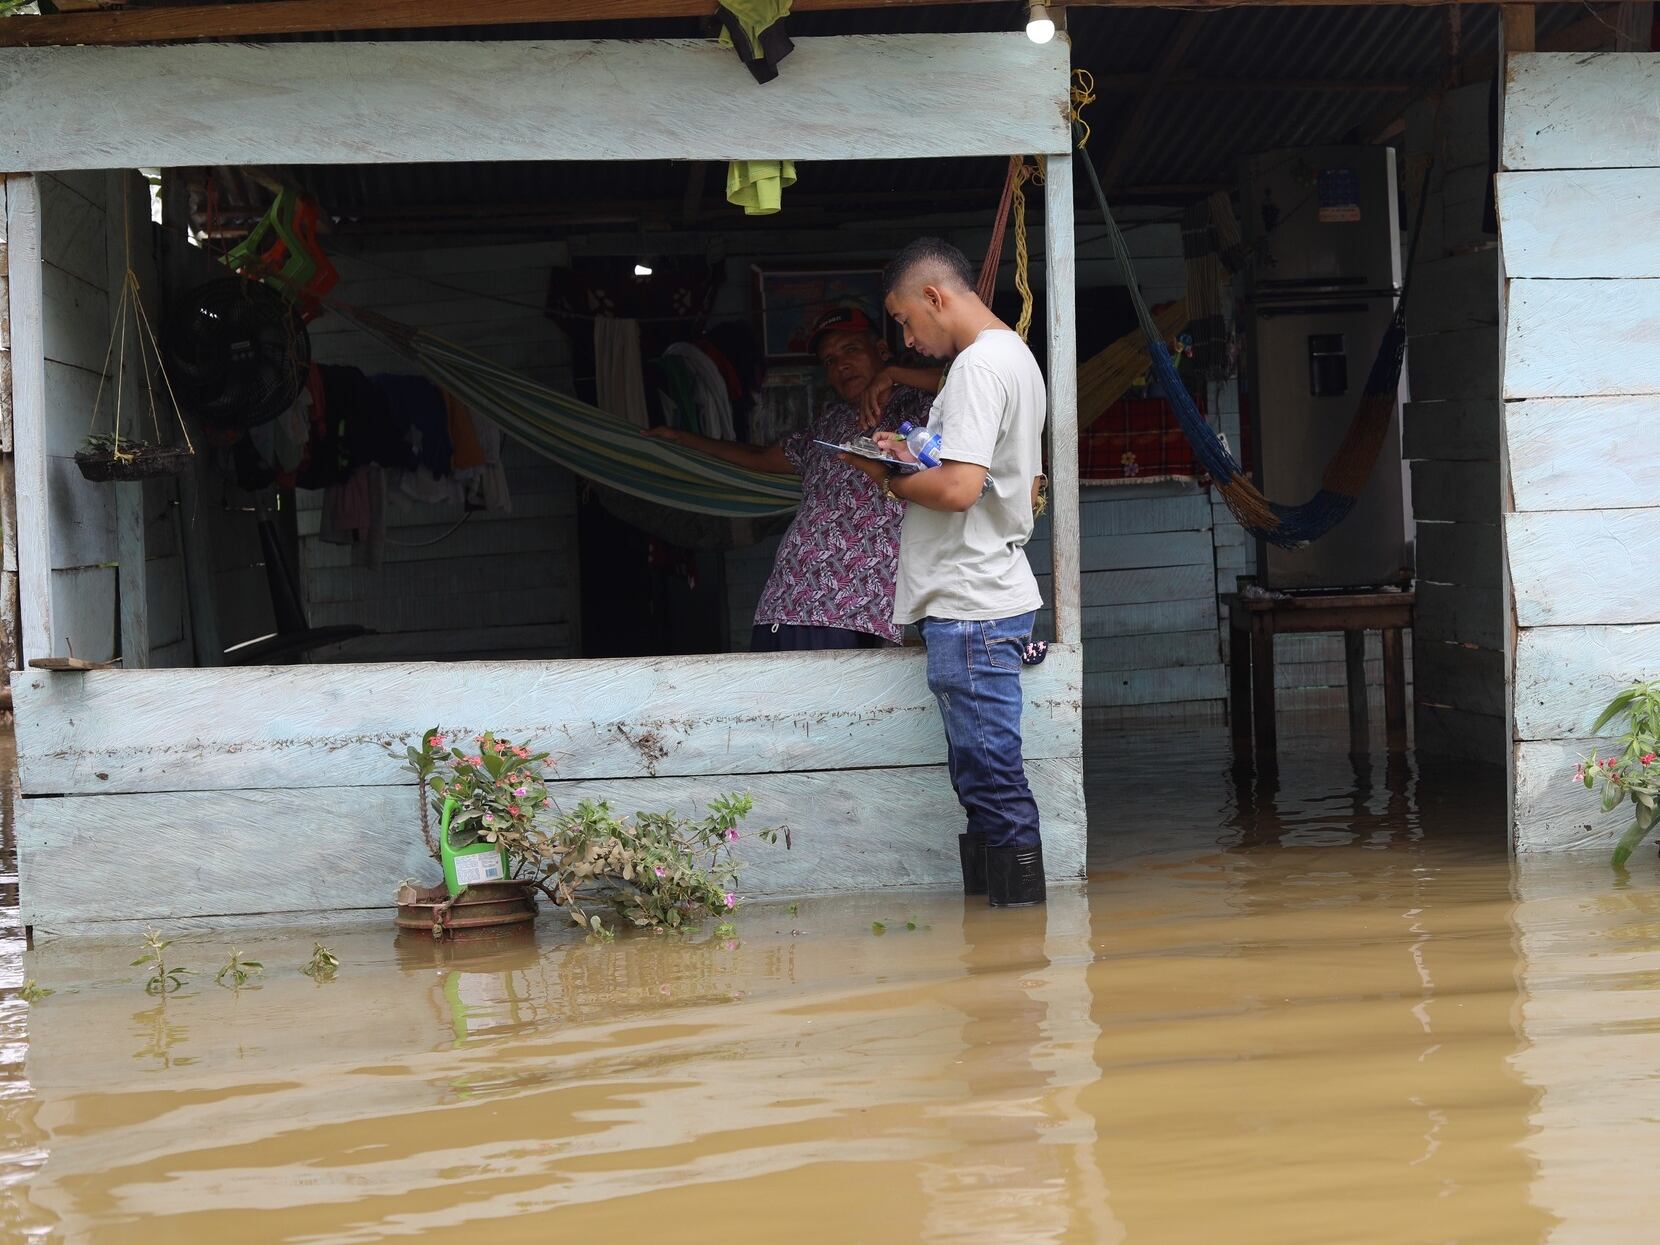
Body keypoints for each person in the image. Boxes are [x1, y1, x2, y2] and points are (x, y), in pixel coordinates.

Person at [840, 238, 1048, 909]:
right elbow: (978, 474)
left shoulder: (978, 368)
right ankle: (998, 954)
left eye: (904, 320)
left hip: (974, 602)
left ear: (935, 297)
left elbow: (959, 488)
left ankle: (1019, 947)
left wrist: (887, 478)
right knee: (979, 779)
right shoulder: (1007, 355)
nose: (905, 335)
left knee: (991, 779)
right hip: (976, 598)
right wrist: (907, 452)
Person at [646, 307, 938, 651]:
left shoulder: (924, 407)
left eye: (851, 350)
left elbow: (969, 380)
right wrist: (681, 439)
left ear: (882, 351)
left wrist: (893, 375)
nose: (840, 365)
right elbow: (761, 458)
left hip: (860, 604)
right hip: (789, 595)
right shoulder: (830, 422)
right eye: (829, 361)